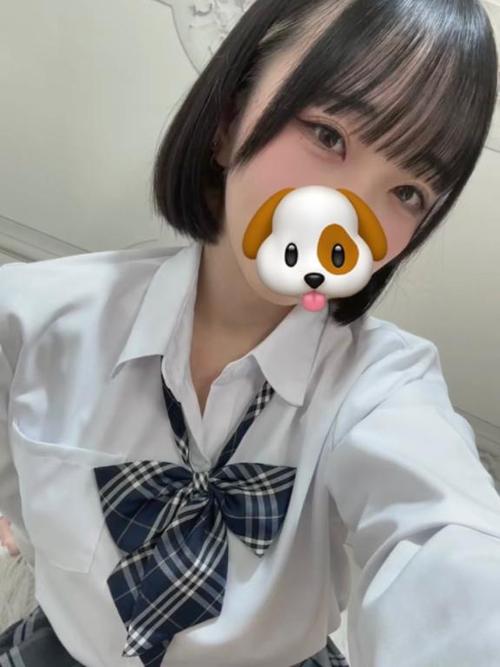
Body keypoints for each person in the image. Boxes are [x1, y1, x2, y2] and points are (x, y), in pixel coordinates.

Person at [0, 0, 499, 665]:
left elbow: (448, 539)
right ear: (228, 122)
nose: (346, 217)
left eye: (408, 192)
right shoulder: (32, 315)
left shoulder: (387, 386)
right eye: (327, 135)